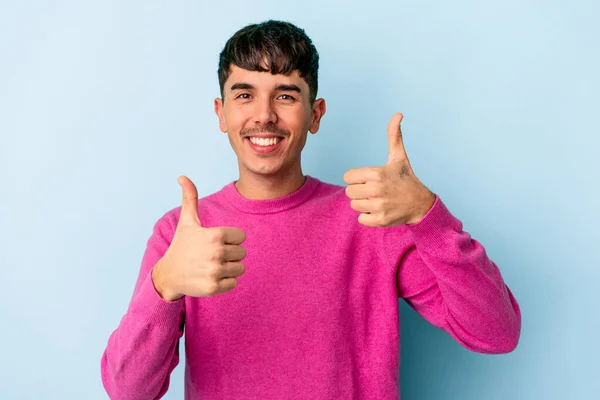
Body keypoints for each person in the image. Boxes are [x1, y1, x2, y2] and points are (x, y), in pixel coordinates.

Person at [101, 19, 521, 400]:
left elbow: (497, 332)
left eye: (285, 95)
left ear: (315, 114)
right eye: (244, 95)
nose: (263, 116)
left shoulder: (370, 220)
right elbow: (128, 390)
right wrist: (163, 285)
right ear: (221, 113)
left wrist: (427, 216)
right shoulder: (182, 233)